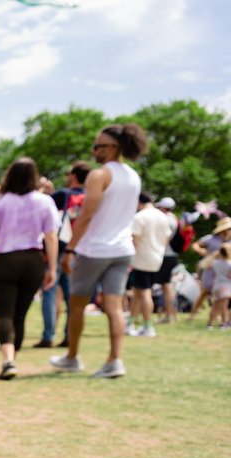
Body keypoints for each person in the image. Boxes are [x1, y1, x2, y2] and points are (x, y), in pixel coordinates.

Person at [52, 123, 148, 379]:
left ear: (113, 148)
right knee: (114, 307)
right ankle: (115, 360)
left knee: (77, 304)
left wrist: (70, 249)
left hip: (95, 249)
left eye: (99, 146)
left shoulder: (100, 175)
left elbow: (86, 215)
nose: (94, 151)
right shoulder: (133, 176)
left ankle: (72, 357)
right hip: (122, 249)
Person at [0, 157, 59, 380]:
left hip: (5, 259)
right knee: (20, 315)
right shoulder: (44, 202)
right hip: (33, 260)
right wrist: (52, 268)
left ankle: (8, 360)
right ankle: (13, 358)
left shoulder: (0, 202)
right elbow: (51, 237)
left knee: (4, 313)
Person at [38, 161, 89, 348]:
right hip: (80, 250)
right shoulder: (90, 197)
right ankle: (69, 336)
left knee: (50, 292)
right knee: (72, 296)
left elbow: (44, 210)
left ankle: (48, 335)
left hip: (58, 250)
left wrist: (44, 191)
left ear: (74, 175)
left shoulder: (62, 195)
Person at [128, 192, 173, 338]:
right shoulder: (162, 216)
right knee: (137, 291)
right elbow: (166, 238)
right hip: (157, 258)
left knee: (145, 292)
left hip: (142, 259)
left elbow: (136, 239)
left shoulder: (140, 217)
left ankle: (148, 326)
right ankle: (130, 323)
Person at [189, 217, 231, 324]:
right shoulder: (211, 239)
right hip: (210, 269)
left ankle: (220, 318)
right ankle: (193, 314)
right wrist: (203, 252)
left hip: (225, 271)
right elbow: (195, 245)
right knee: (205, 292)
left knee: (223, 296)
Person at [152, 197, 181, 325]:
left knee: (166, 285)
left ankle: (169, 315)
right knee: (166, 285)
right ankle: (171, 315)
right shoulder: (174, 218)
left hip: (165, 255)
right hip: (171, 255)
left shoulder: (165, 219)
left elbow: (165, 238)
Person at [199, 243, 231, 329]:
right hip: (226, 287)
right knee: (224, 307)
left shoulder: (216, 263)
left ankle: (209, 324)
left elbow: (204, 265)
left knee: (214, 307)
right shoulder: (229, 264)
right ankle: (224, 324)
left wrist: (213, 255)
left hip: (216, 287)